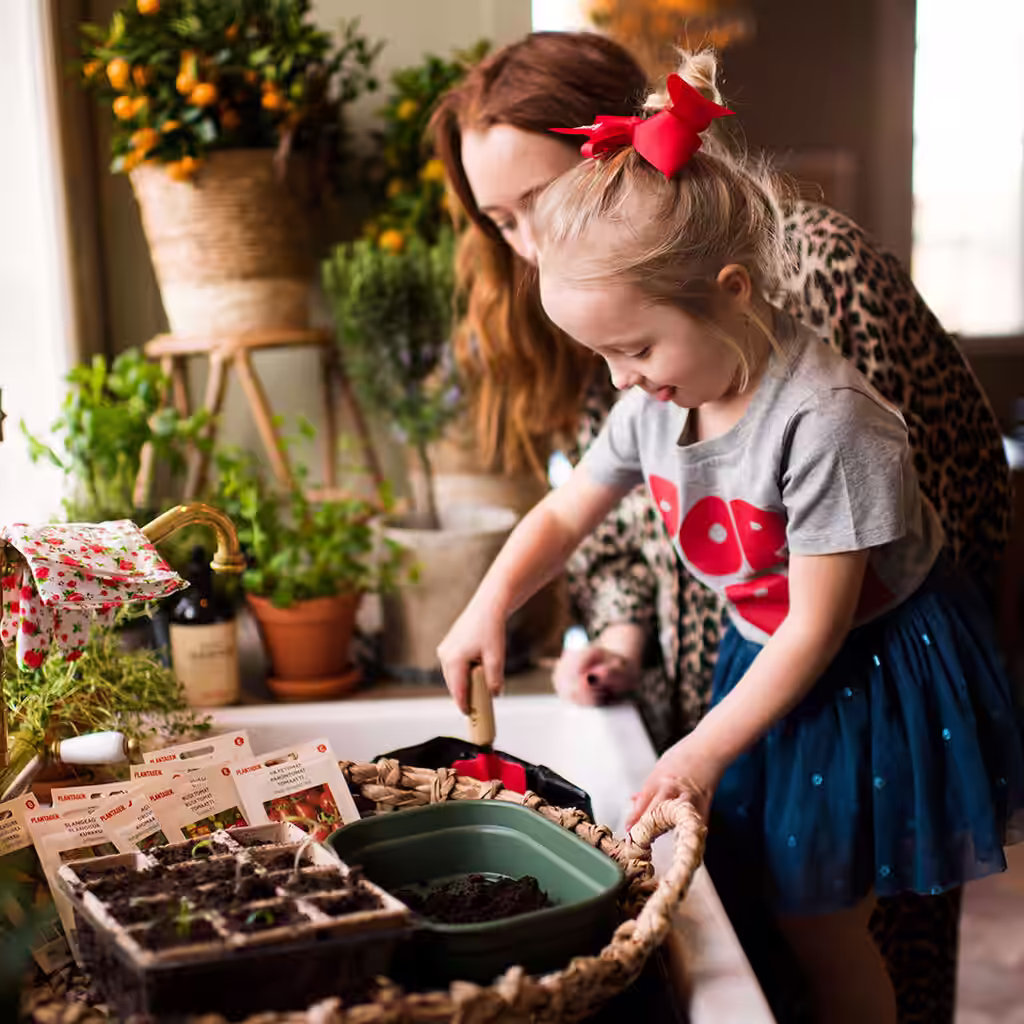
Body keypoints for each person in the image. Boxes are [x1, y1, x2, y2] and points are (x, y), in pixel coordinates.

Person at [432, 33, 1012, 1024]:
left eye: (632, 350)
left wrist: (702, 746)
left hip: (865, 667)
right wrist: (487, 601)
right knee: (778, 902)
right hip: (771, 647)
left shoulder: (829, 417)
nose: (618, 381)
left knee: (827, 915)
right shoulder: (657, 372)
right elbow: (573, 508)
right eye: (504, 221)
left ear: (731, 291)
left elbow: (818, 625)